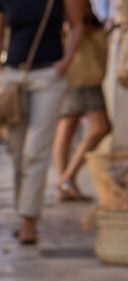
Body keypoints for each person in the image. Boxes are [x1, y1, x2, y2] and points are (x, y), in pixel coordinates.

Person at [0, 0, 85, 245]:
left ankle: (28, 220)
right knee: (18, 153)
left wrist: (66, 62)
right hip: (13, 77)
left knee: (35, 150)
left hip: (48, 77)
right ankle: (24, 211)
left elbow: (77, 26)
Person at [52, 10, 111, 201]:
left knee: (68, 125)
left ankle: (65, 182)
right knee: (99, 126)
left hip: (71, 66)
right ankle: (66, 178)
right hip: (79, 66)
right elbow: (77, 25)